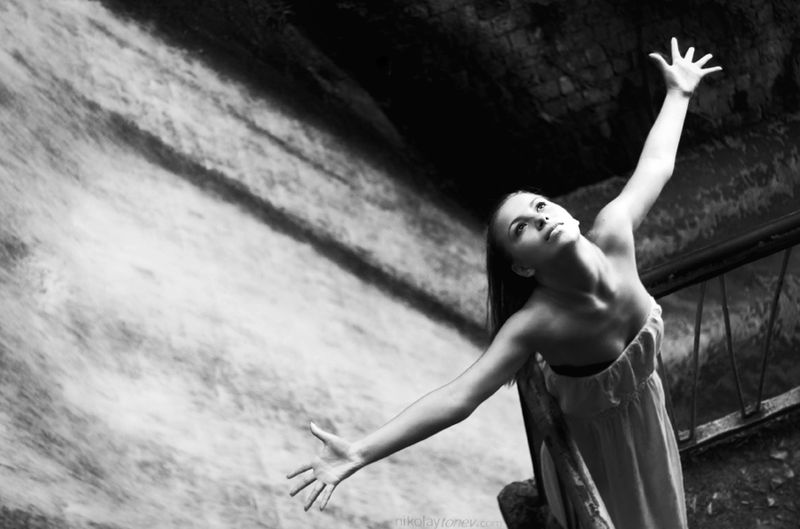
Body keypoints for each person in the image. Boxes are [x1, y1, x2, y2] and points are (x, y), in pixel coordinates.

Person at [287, 37, 721, 528]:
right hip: (595, 457)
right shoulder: (536, 323)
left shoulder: (616, 232)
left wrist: (679, 92)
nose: (540, 218)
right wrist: (360, 451)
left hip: (649, 425)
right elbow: (459, 397)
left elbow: (657, 165)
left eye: (540, 206)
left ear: (564, 212)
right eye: (522, 229)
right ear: (522, 267)